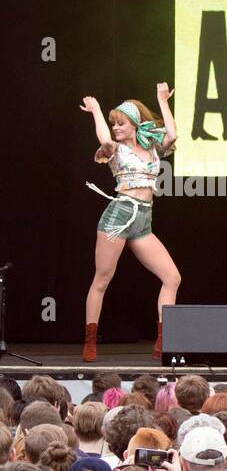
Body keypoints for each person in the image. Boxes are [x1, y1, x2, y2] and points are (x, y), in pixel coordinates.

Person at [79, 85, 182, 362]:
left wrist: (162, 100)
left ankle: (164, 340)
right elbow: (103, 137)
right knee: (102, 280)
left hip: (144, 219)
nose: (116, 128)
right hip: (119, 216)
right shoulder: (116, 150)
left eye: (121, 123)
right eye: (114, 124)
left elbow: (172, 135)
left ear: (134, 124)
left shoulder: (151, 148)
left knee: (172, 277)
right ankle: (90, 341)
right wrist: (97, 111)